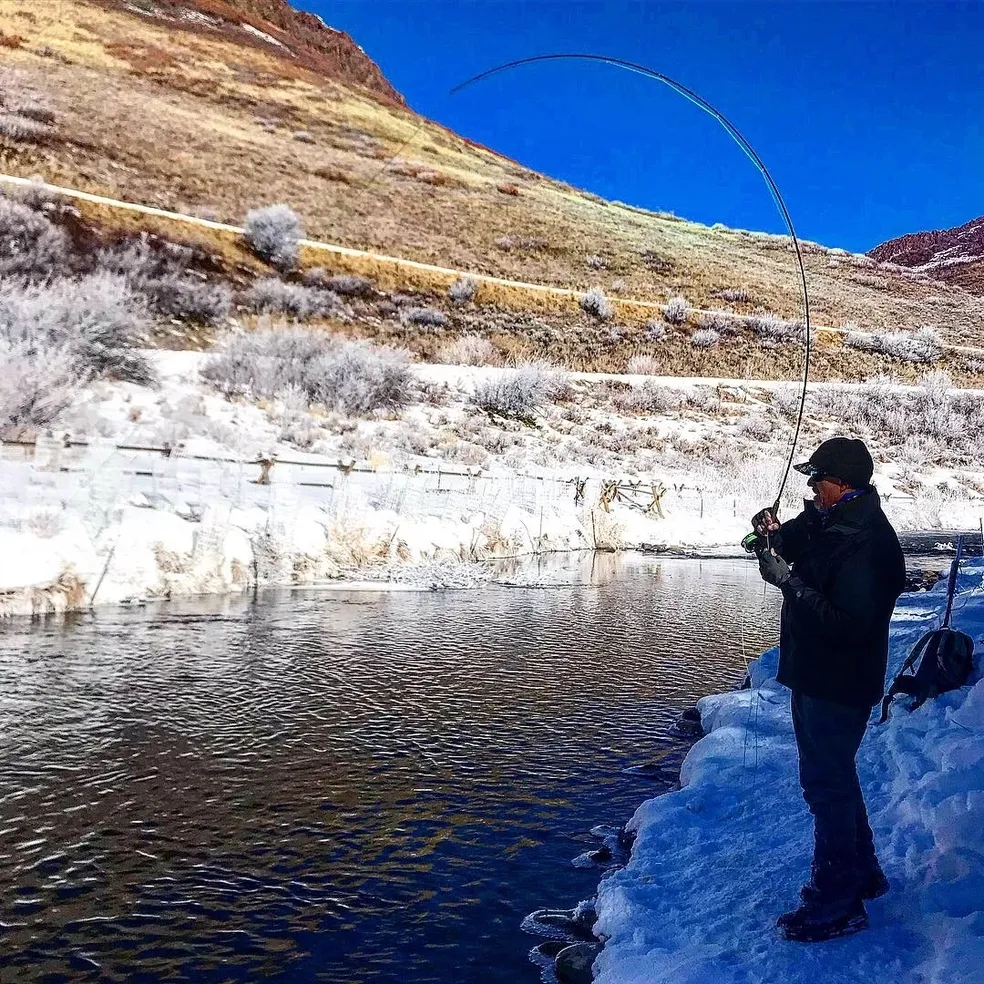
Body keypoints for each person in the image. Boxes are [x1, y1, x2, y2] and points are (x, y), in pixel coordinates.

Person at [751, 436, 906, 943]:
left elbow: (848, 625)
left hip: (839, 681)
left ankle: (837, 902)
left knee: (825, 784)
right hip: (815, 674)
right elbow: (797, 544)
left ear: (844, 484)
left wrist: (788, 584)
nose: (811, 488)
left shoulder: (869, 543)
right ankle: (863, 875)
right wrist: (772, 536)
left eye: (818, 480)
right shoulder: (831, 521)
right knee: (834, 777)